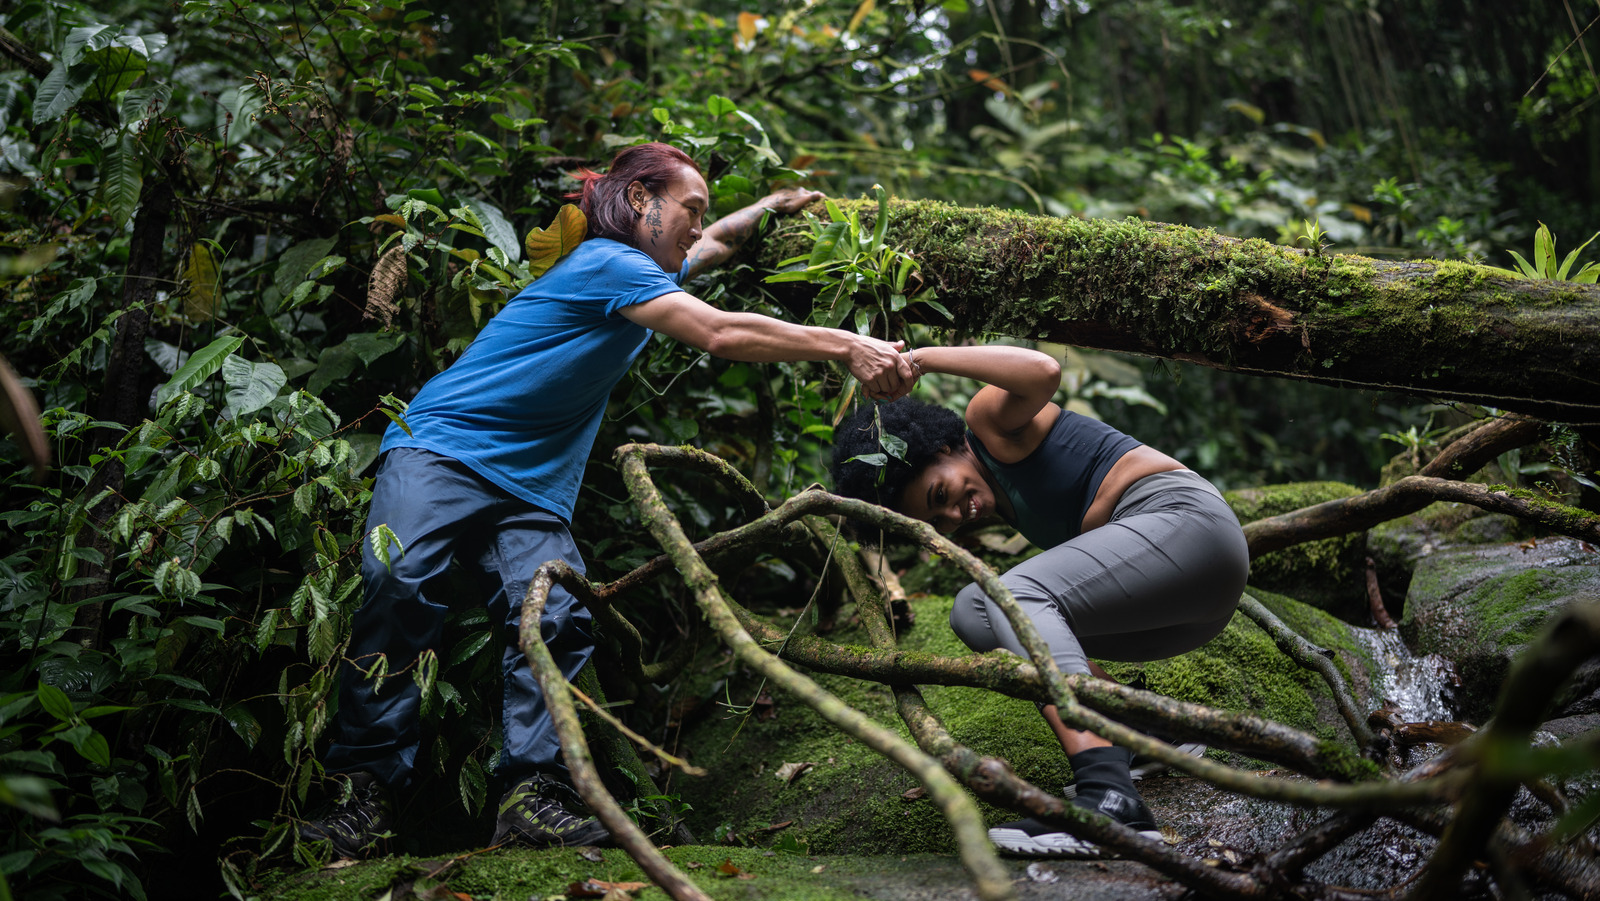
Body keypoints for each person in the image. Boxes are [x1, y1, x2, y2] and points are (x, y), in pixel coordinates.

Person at [298, 142, 917, 858]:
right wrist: (847, 344)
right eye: (688, 207)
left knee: (556, 616)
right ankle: (360, 792)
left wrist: (769, 209)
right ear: (639, 202)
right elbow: (717, 331)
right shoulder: (608, 263)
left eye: (701, 212)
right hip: (441, 446)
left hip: (531, 487)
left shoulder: (650, 269)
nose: (695, 224)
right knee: (397, 581)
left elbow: (712, 245)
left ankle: (534, 796)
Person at [830, 343, 1248, 858]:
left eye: (941, 495)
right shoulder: (998, 497)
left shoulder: (988, 424)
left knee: (1009, 597)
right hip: (1187, 605)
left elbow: (1043, 370)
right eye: (937, 522)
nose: (954, 518)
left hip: (1189, 525)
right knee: (974, 611)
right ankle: (1139, 730)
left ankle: (1110, 798)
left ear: (941, 449)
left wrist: (919, 360)